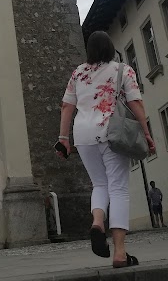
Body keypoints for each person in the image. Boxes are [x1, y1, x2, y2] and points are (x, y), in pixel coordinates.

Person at [57, 31, 156, 269]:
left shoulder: (78, 73)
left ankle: (98, 221)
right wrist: (146, 132)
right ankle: (120, 252)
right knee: (119, 188)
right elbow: (135, 102)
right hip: (112, 133)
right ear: (111, 48)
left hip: (83, 136)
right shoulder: (123, 70)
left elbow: (66, 106)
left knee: (100, 185)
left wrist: (63, 138)